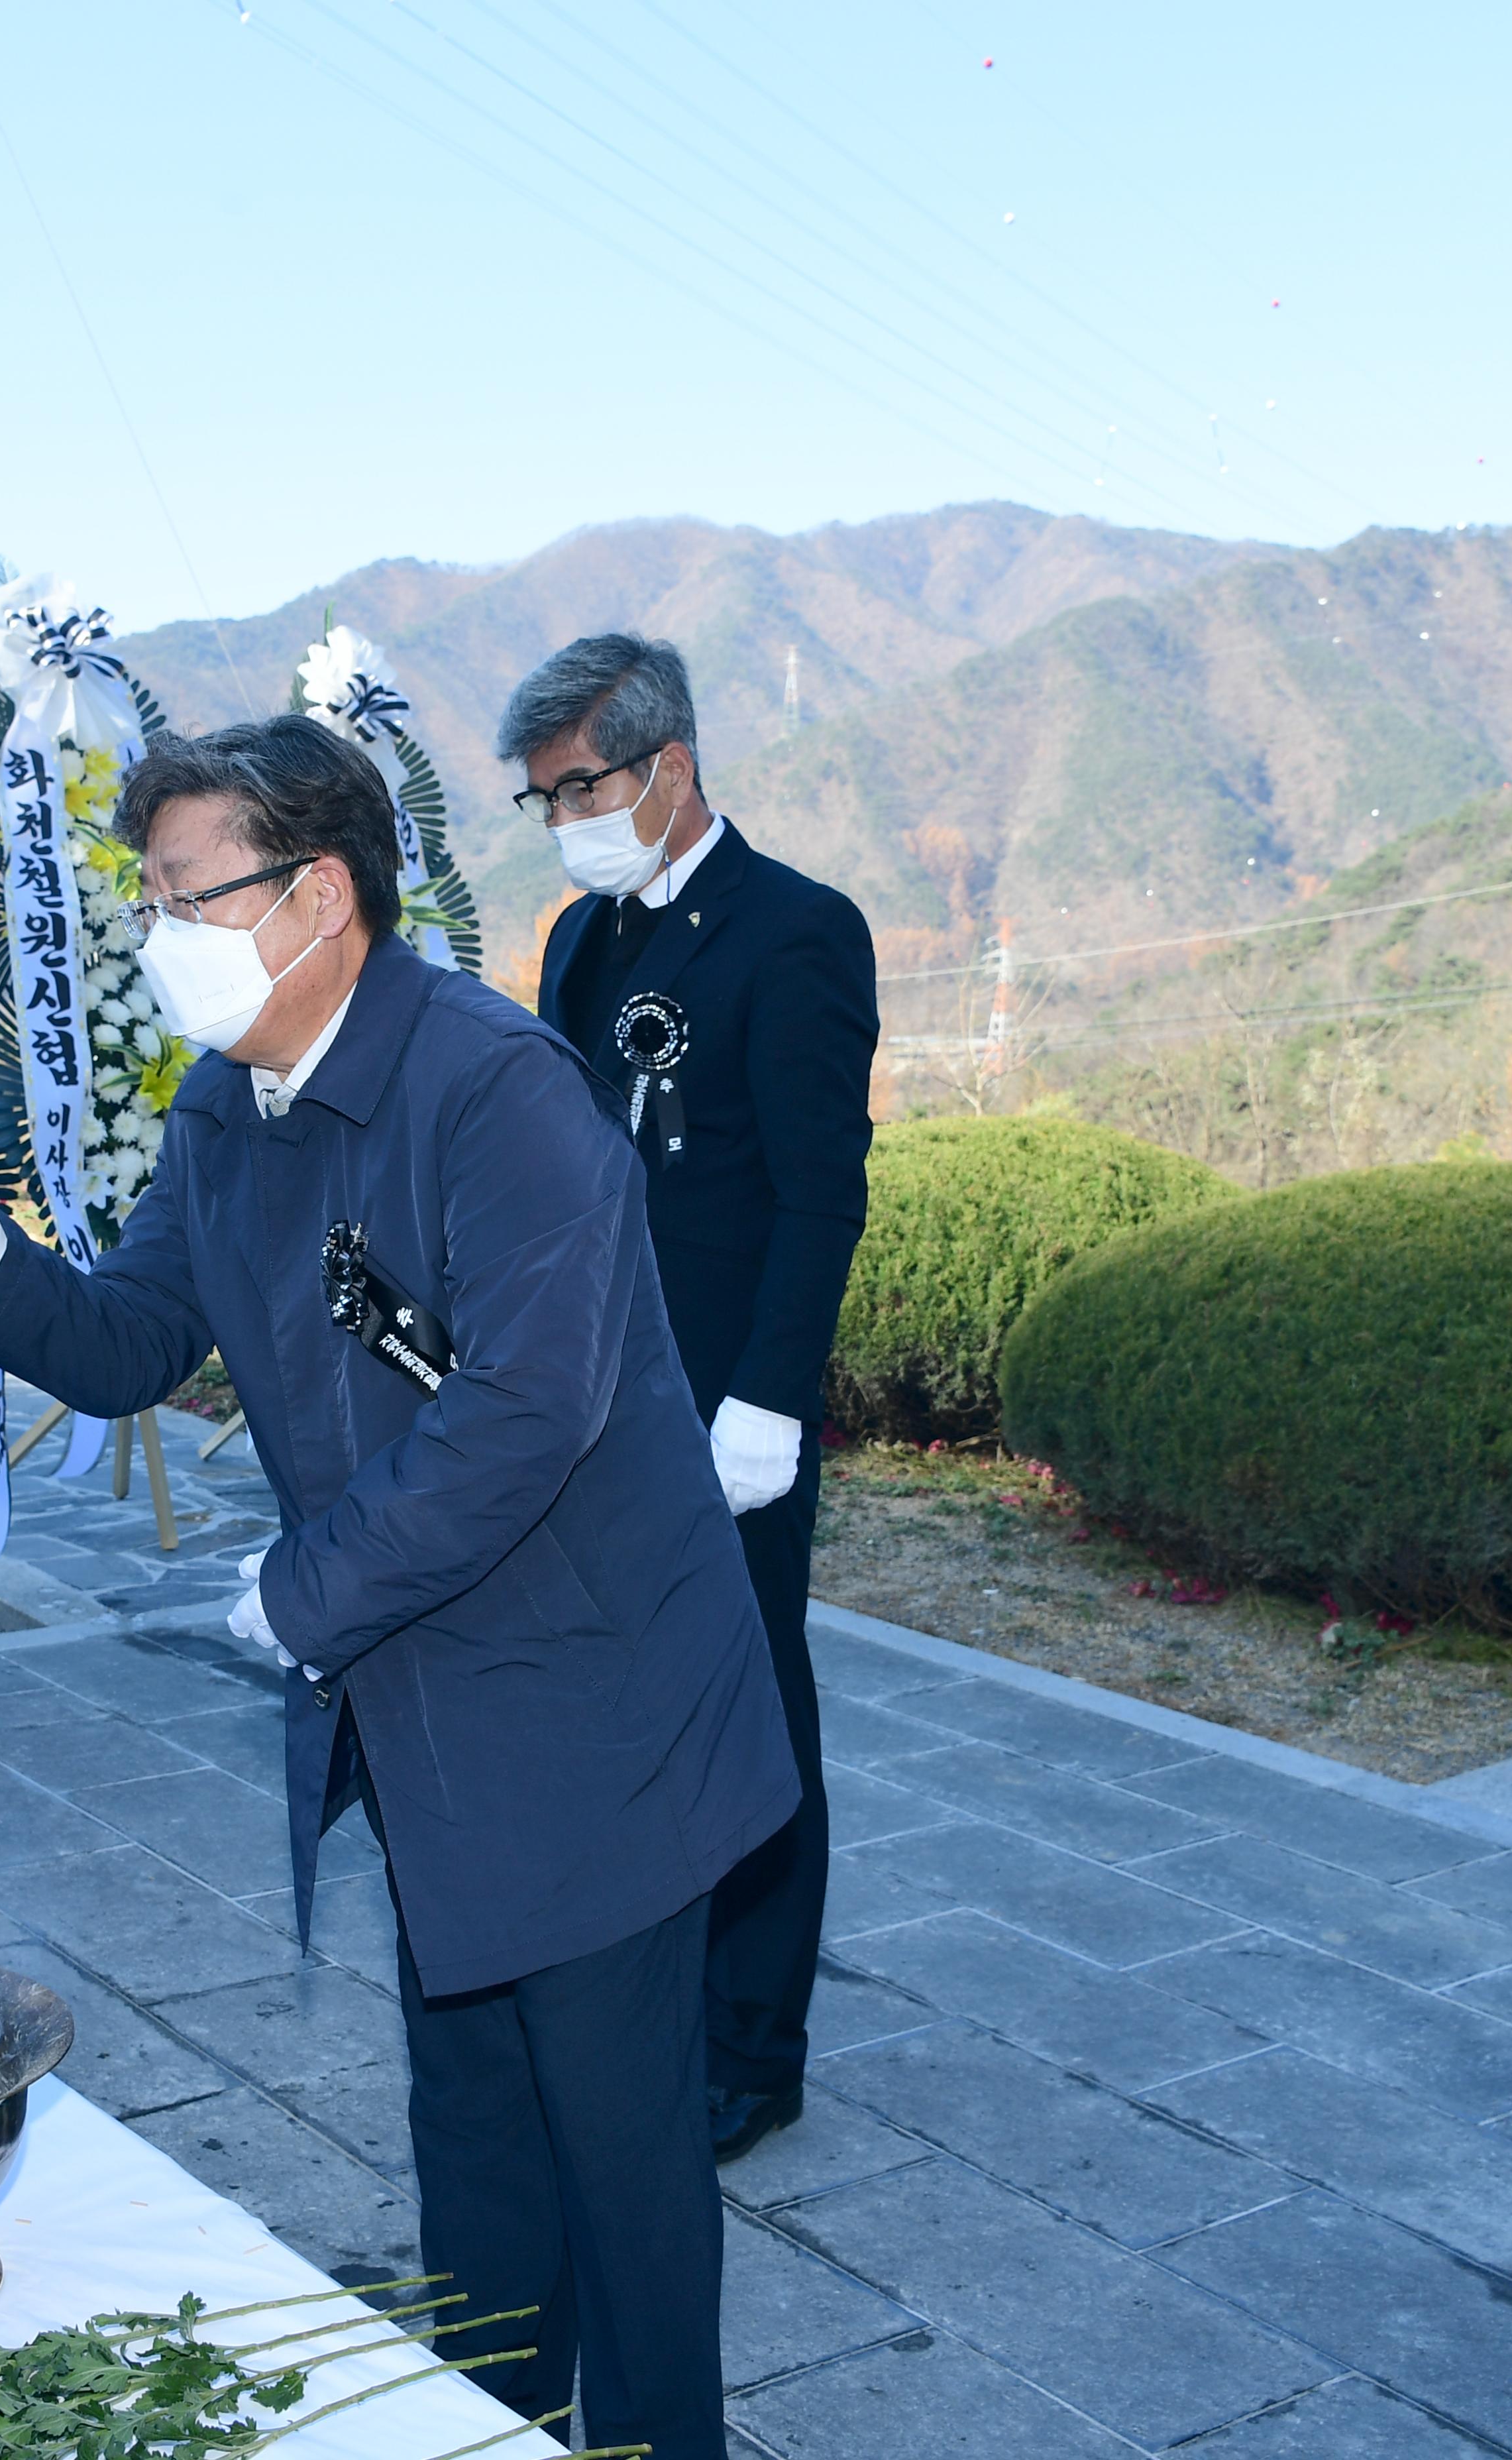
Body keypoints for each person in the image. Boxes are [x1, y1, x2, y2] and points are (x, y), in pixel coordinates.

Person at [0, 715, 794, 2459]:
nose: (160, 942)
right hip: (431, 1723)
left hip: (599, 1719)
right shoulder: (230, 1110)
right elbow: (136, 1338)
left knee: (624, 2179)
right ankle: (490, 2426)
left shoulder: (491, 1087)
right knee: (481, 2154)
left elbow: (530, 1405)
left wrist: (307, 1589)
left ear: (318, 896)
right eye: (148, 905)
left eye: (185, 898)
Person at [500, 634, 876, 2162]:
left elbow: (818, 1192)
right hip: (599, 1392)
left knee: (747, 1708)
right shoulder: (583, 940)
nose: (565, 819)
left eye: (579, 786)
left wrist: (772, 1397)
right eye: (542, 799)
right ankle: (645, 1987)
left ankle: (752, 2042)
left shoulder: (796, 931)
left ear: (669, 766)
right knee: (616, 1697)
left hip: (729, 1414)